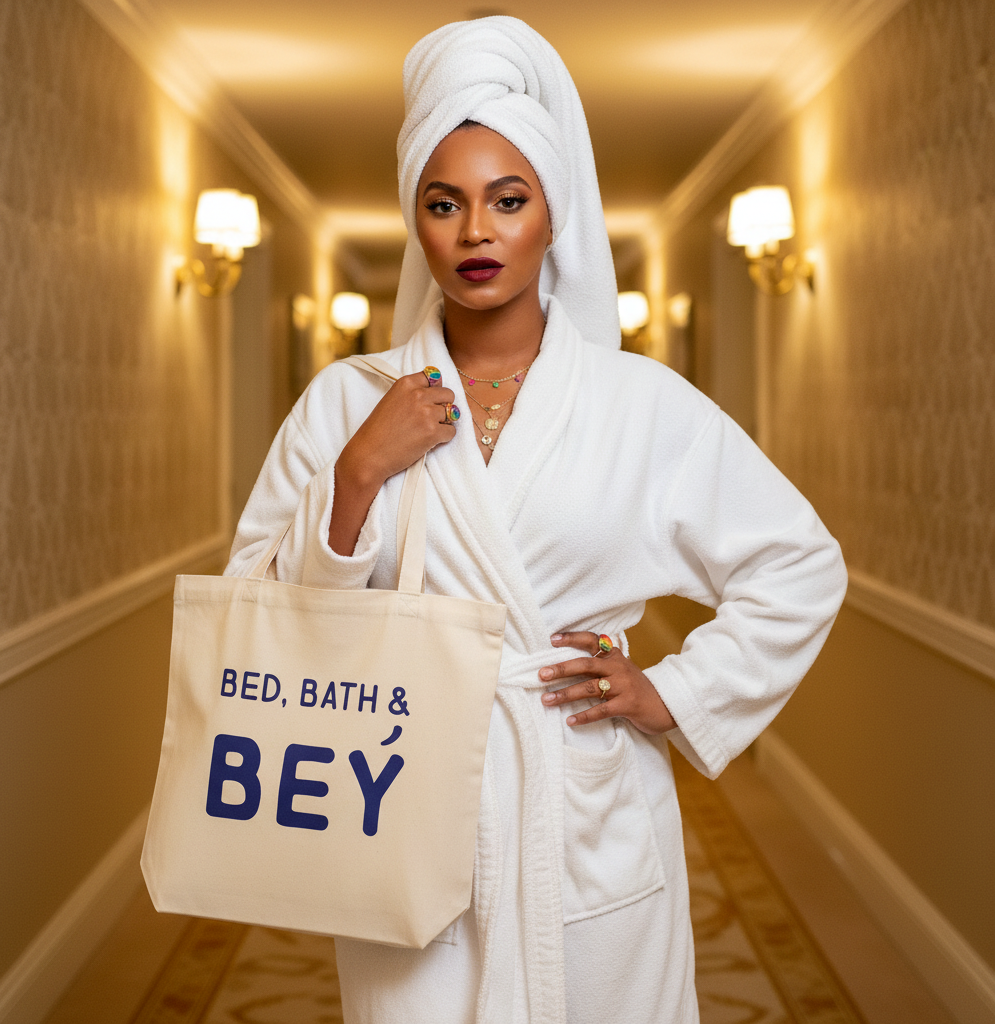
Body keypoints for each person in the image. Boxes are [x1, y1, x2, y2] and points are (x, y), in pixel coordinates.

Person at [225, 16, 847, 1024]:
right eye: (444, 203)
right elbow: (254, 613)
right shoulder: (346, 403)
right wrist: (354, 479)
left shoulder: (638, 403)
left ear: (554, 213)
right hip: (401, 800)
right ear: (414, 221)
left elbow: (800, 565)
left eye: (507, 200)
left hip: (581, 794)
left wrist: (675, 692)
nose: (476, 233)